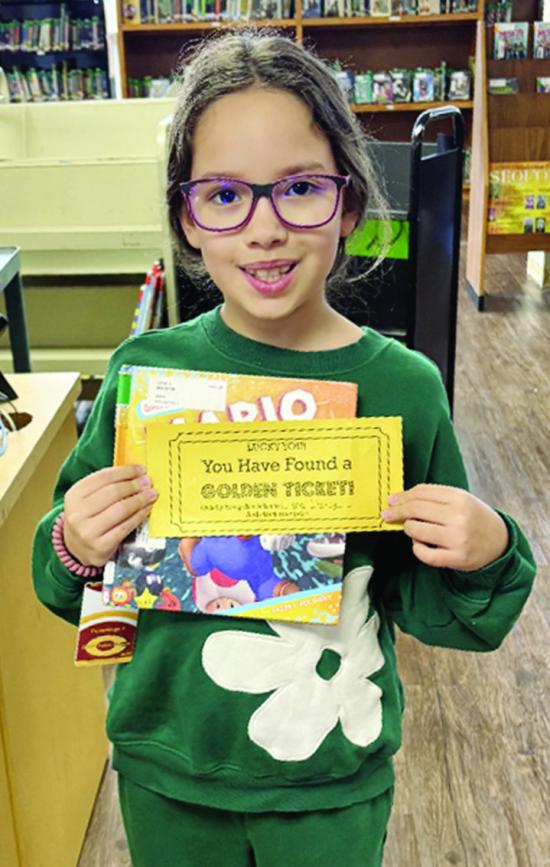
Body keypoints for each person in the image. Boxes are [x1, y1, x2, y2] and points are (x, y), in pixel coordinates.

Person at [32, 30, 536, 867]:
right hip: (167, 768)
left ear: (346, 201)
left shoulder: (403, 387)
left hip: (331, 770)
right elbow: (68, 581)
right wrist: (75, 544)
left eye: (299, 188)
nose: (263, 229)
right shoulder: (143, 373)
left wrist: (486, 552)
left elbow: (435, 607)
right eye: (224, 195)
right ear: (186, 218)